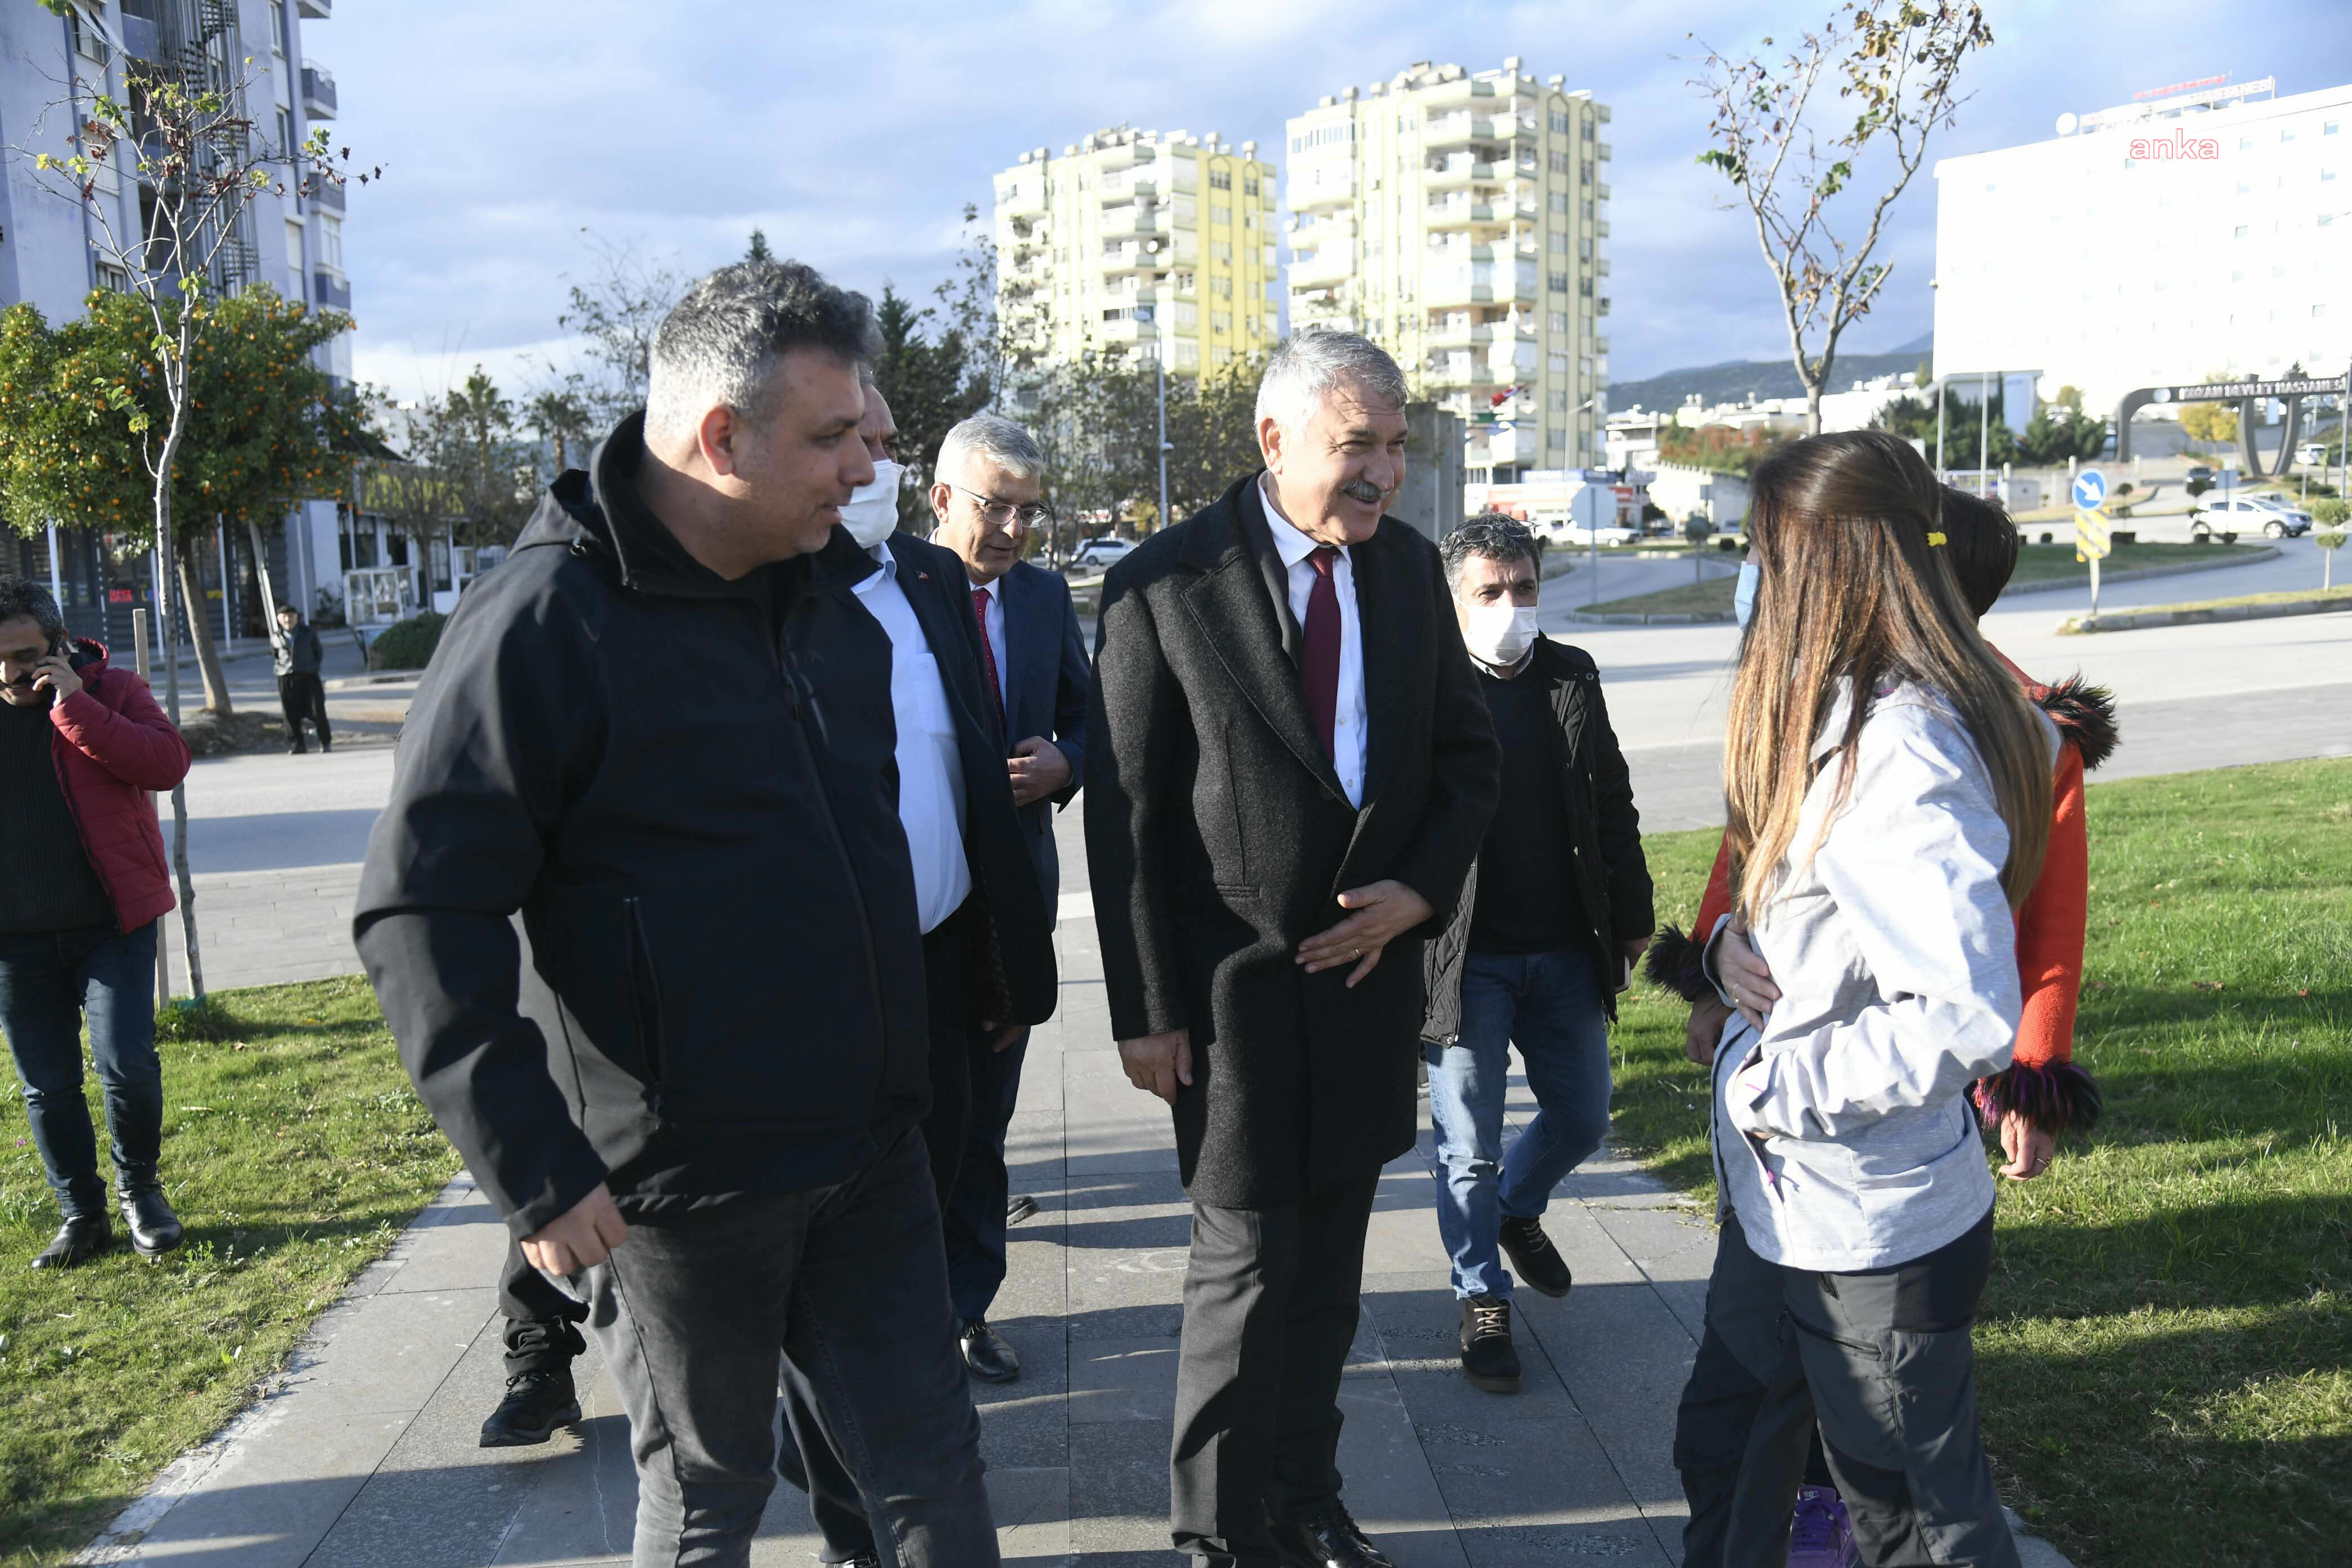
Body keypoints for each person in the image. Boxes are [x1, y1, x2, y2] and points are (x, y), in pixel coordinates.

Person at [354, 260, 997, 1568]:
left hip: (871, 1145)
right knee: (711, 1495)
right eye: (832, 436)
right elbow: (422, 907)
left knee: (931, 1470)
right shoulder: (545, 621)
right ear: (720, 439)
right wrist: (536, 1166)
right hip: (679, 1188)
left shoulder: (825, 598)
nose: (863, 466)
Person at [1086, 331, 1501, 1568]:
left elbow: (1468, 760)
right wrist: (1144, 1008)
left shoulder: (1410, 569)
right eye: (1357, 445)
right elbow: (1126, 819)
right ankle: (1218, 1532)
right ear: (1274, 441)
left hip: (1369, 985)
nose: (1384, 472)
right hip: (1232, 1001)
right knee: (1246, 1270)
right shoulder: (1162, 585)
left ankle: (1305, 1500)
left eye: (1397, 446)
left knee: (1328, 1277)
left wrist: (1417, 895)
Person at [1657, 488, 2116, 1567]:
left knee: (1898, 1475)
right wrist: (1715, 959)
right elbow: (1752, 855)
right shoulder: (1815, 698)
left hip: (1880, 1150)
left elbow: (2040, 930)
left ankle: (1825, 1524)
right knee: (1743, 1418)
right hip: (1786, 1170)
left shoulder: (2007, 728)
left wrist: (2032, 1071)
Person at [772, 378, 1058, 1565]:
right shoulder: (757, 596)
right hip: (818, 996)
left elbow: (976, 773)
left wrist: (1002, 962)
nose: (869, 464)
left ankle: (906, 1429)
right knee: (824, 1276)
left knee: (928, 1214)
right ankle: (847, 1497)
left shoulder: (933, 584)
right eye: (850, 439)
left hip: (945, 969)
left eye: (883, 441)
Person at [1419, 513, 1654, 1394]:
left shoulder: (1570, 674)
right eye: (1489, 592)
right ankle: (1482, 1298)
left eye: (1523, 588)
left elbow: (1612, 801)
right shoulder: (1425, 683)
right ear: (1454, 601)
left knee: (1583, 1117)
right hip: (1466, 958)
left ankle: (1517, 1208)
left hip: (1564, 949)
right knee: (1467, 1148)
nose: (1510, 606)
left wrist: (1633, 915)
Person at [925, 412, 1091, 1383]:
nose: (1016, 530)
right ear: (942, 499)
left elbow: (1089, 714)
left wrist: (1067, 761)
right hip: (917, 903)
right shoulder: (895, 594)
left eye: (1030, 511)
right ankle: (896, 1314)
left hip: (1013, 903)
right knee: (917, 1124)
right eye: (997, 506)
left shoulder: (1041, 597)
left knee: (986, 1116)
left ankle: (965, 1310)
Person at [0, 576, 192, 1268]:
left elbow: (167, 764)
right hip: (14, 942)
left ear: (58, 646)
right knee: (47, 1084)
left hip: (113, 923)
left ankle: (142, 1194)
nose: (8, 673)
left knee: (127, 1066)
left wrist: (75, 706)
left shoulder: (114, 691)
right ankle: (81, 1214)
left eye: (24, 656)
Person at [273, 603, 331, 754]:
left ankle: (325, 742)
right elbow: (276, 655)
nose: (288, 620)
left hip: (309, 675)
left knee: (317, 709)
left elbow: (318, 653)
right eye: (284, 617)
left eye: (291, 616)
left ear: (297, 618)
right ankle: (297, 745)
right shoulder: (276, 637)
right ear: (279, 619)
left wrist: (311, 666)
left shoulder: (308, 633)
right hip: (286, 677)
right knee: (290, 712)